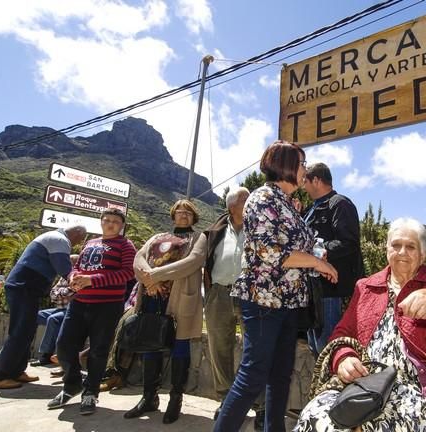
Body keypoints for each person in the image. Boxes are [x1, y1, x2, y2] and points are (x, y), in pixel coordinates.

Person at [295, 217, 426, 431]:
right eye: (396, 245)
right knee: (316, 417)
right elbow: (341, 333)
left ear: (423, 254)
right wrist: (344, 358)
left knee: (376, 425)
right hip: (363, 382)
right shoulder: (366, 287)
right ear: (386, 249)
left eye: (410, 246)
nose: (402, 252)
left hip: (411, 389)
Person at [213, 140, 338, 432]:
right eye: (302, 163)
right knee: (253, 375)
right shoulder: (262, 199)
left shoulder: (287, 204)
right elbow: (270, 252)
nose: (305, 169)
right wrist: (317, 263)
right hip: (263, 301)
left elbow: (299, 247)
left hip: (288, 303)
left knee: (281, 375)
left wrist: (317, 254)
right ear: (286, 164)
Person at [124, 199, 207, 424]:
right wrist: (150, 279)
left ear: (194, 217)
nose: (183, 215)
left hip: (180, 301)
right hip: (152, 298)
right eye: (179, 212)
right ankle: (148, 397)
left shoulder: (198, 238)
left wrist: (155, 276)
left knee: (180, 347)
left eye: (188, 213)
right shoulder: (156, 238)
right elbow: (138, 259)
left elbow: (193, 261)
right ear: (173, 215)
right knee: (151, 344)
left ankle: (175, 399)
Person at [47, 209, 136, 415]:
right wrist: (74, 278)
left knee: (98, 350)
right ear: (101, 222)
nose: (111, 223)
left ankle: (90, 393)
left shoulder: (125, 245)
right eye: (107, 220)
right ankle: (72, 385)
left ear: (122, 226)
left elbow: (127, 272)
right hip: (79, 302)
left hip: (107, 305)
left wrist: (92, 280)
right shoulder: (90, 243)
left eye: (115, 221)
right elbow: (78, 266)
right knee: (64, 345)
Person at [0, 225, 86, 390]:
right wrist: (82, 283)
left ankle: (16, 371)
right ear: (77, 233)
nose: (79, 242)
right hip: (23, 288)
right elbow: (65, 269)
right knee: (20, 332)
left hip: (28, 289)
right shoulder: (59, 240)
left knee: (27, 331)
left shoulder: (55, 238)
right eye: (81, 239)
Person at [203, 187, 265, 423]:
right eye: (245, 200)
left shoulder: (260, 227)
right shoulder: (215, 230)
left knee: (256, 350)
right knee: (219, 348)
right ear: (231, 206)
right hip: (218, 294)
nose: (250, 203)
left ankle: (260, 406)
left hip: (250, 294)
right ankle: (226, 400)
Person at [302, 162, 364, 356]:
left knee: (329, 347)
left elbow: (349, 242)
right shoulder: (311, 209)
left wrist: (319, 250)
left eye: (305, 181)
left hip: (332, 291)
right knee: (316, 347)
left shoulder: (339, 204)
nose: (303, 186)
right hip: (313, 290)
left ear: (317, 180)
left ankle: (334, 386)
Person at [31, 254, 80, 366]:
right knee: (35, 315)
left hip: (70, 310)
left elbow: (72, 291)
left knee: (53, 319)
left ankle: (45, 356)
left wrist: (62, 293)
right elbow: (53, 294)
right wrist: (64, 293)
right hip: (59, 308)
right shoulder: (64, 277)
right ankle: (24, 348)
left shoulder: (78, 277)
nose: (68, 264)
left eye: (71, 262)